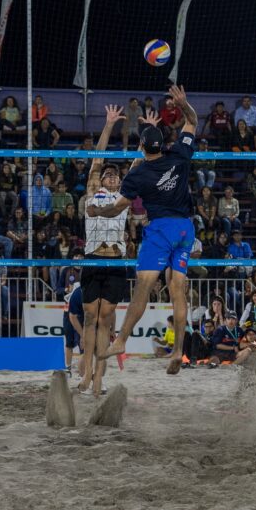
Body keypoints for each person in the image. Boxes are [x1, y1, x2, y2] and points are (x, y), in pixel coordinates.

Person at [88, 84, 198, 375]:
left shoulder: (138, 174)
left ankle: (122, 340)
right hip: (186, 229)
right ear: (162, 144)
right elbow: (192, 121)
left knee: (143, 289)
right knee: (178, 290)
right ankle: (177, 351)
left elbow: (117, 208)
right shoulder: (179, 154)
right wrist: (183, 104)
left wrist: (97, 210)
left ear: (143, 147)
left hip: (161, 231)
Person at [77, 105, 130, 395]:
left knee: (105, 321)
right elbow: (97, 158)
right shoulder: (93, 191)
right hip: (93, 258)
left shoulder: (124, 195)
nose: (110, 176)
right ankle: (86, 375)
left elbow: (138, 164)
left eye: (114, 175)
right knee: (90, 318)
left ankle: (98, 378)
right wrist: (109, 125)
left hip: (115, 261)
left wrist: (146, 135)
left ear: (119, 181)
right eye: (107, 174)